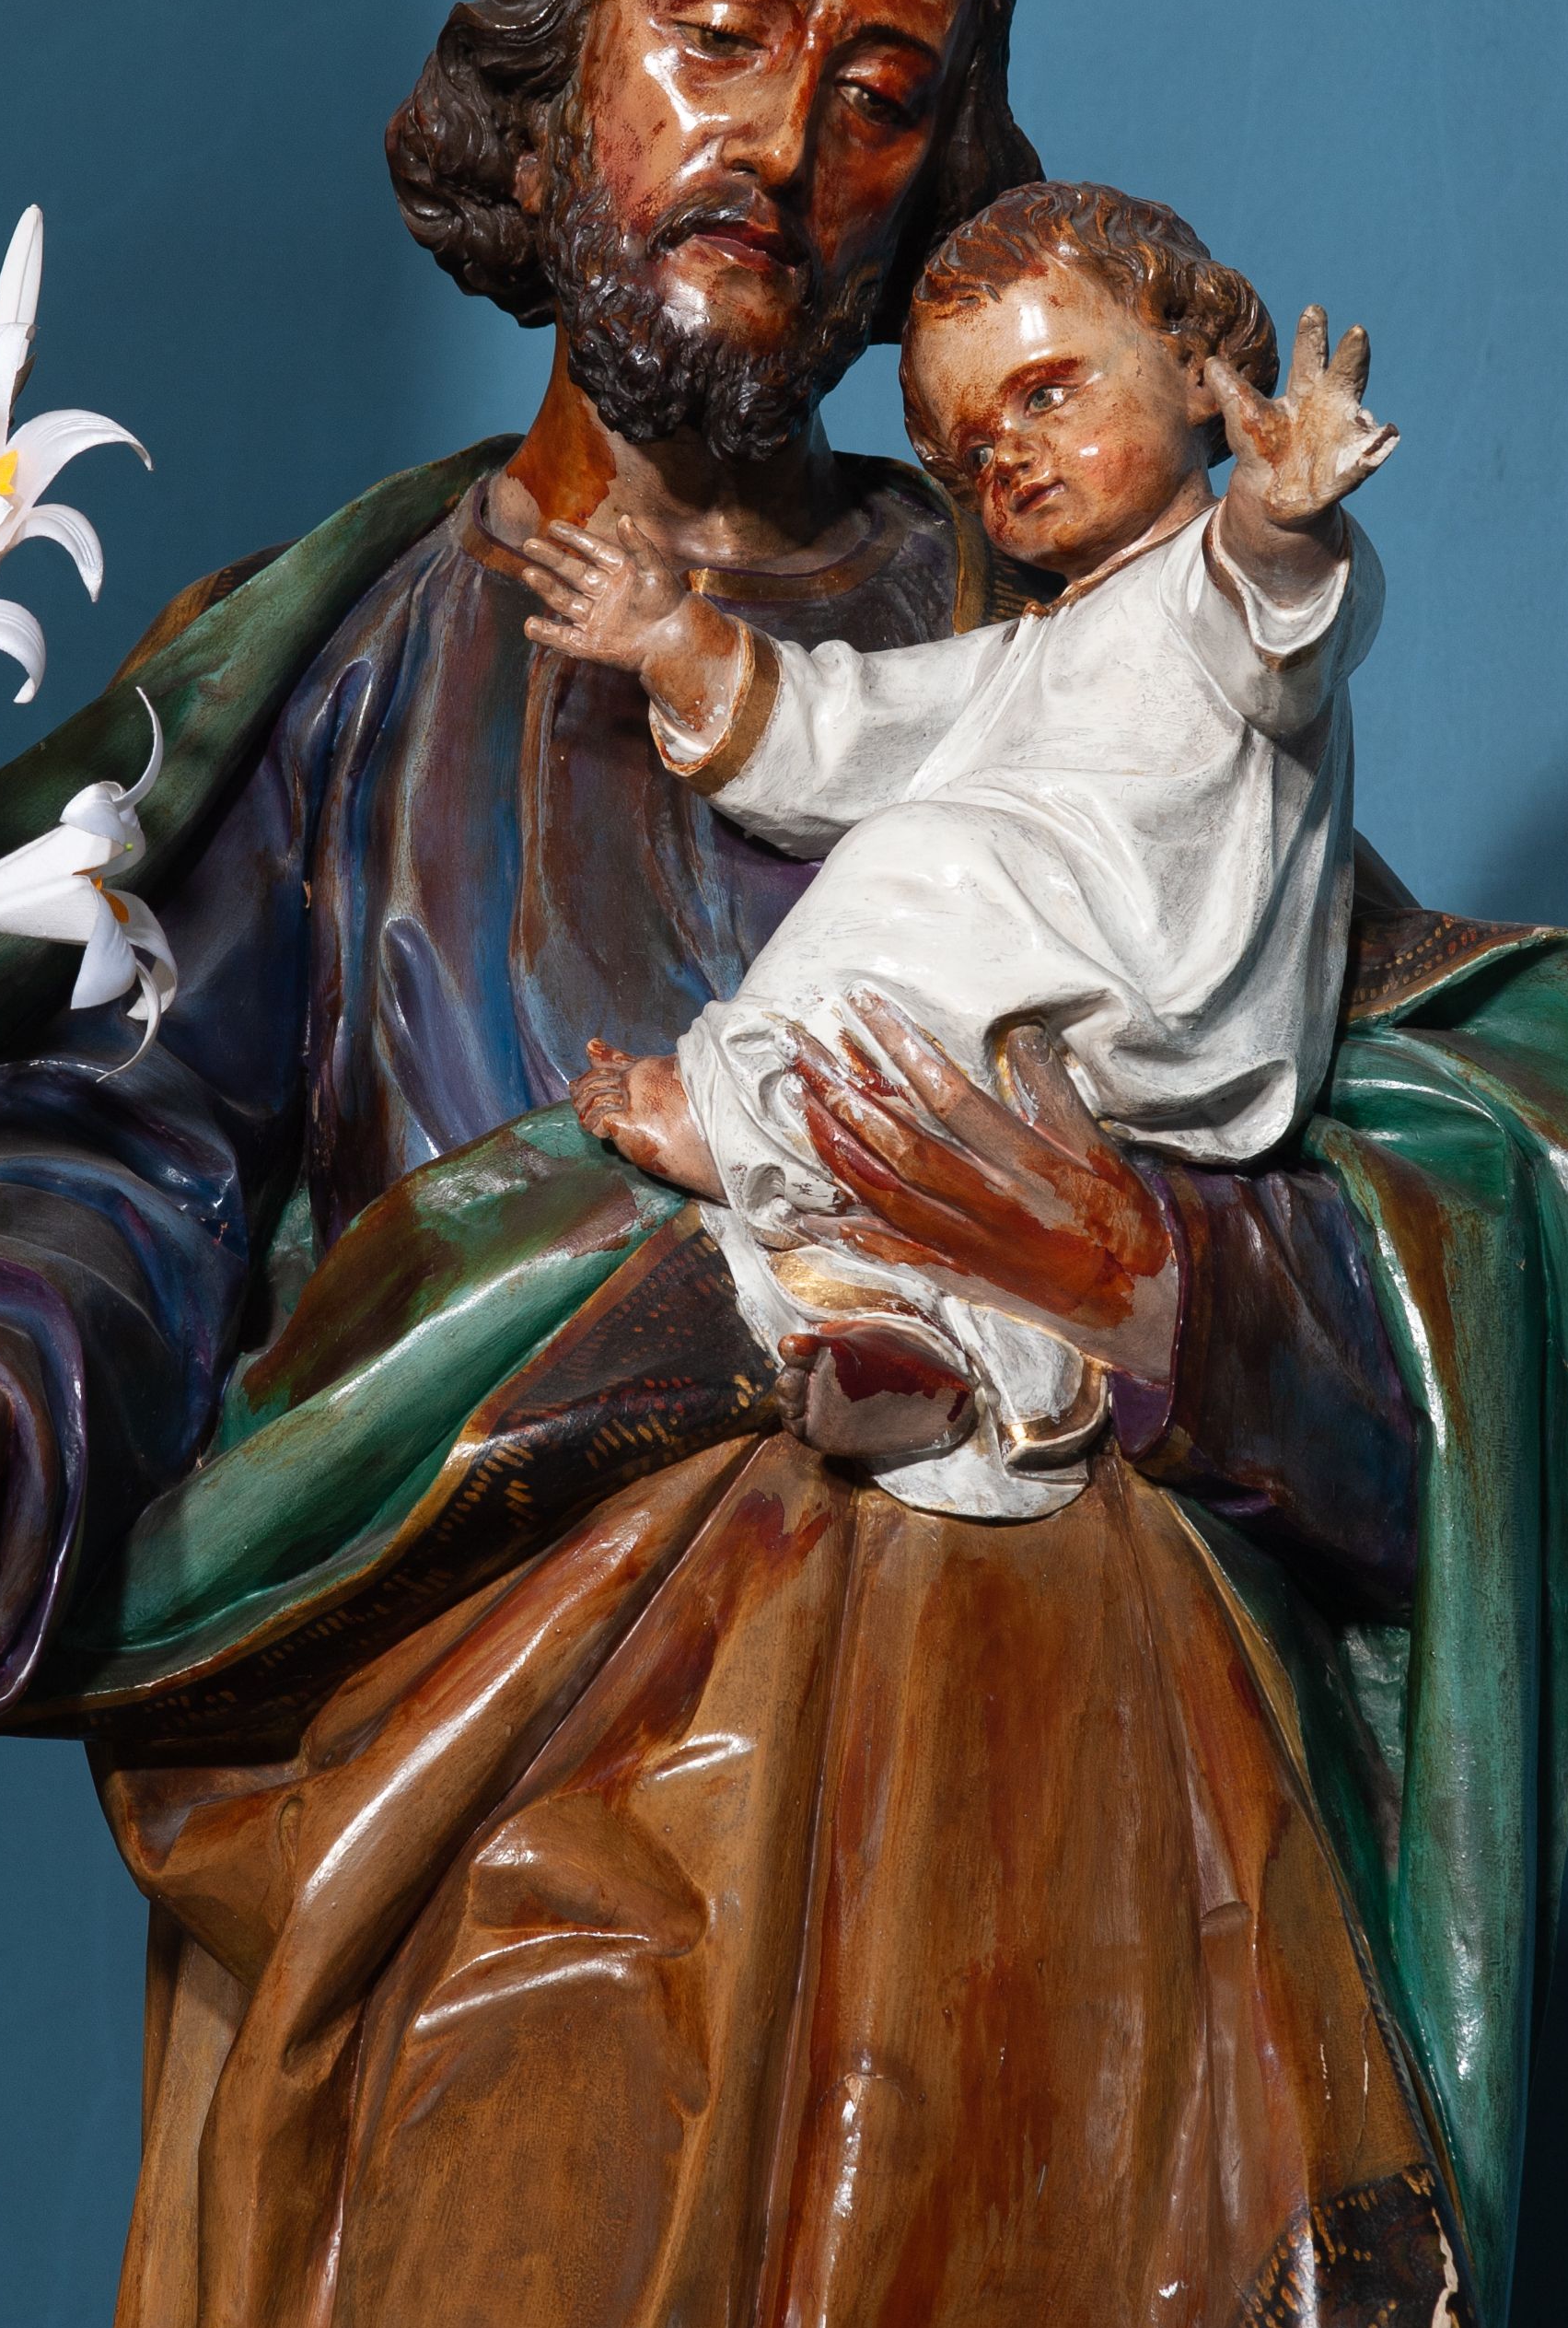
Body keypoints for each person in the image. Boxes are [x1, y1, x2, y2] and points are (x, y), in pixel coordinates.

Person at [0, 0, 1568, 2328]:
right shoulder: (353, 666)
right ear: (554, 78)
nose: (787, 142)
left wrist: (1143, 1283)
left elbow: (1415, 1246)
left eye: (884, 94)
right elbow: (111, 1155)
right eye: (722, 38)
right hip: (507, 1806)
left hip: (1044, 1873)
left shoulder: (1073, 663)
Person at [526, 180, 1398, 1516]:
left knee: (915, 858)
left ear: (1197, 374)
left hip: (1157, 979)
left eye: (1047, 394)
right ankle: (919, 1348)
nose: (1015, 458)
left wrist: (1284, 517)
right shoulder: (1024, 654)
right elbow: (839, 730)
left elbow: (1284, 635)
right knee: (910, 926)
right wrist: (672, 640)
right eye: (978, 452)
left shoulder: (1209, 584)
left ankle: (742, 1113)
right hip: (1036, 1002)